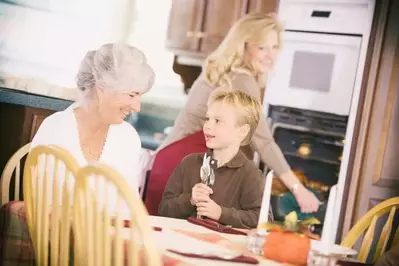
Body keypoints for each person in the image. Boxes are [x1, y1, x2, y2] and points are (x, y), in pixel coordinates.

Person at [155, 12, 320, 214]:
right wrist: (298, 189)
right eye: (262, 48)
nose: (271, 55)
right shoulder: (242, 80)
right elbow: (263, 141)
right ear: (244, 46)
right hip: (187, 171)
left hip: (172, 163)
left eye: (275, 47)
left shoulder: (225, 72)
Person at [31, 43, 155, 195]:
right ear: (102, 88)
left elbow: (128, 207)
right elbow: (41, 205)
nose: (137, 107)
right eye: (131, 95)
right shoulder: (55, 129)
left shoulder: (128, 137)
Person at [159, 88, 267, 229]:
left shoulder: (251, 175)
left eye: (217, 121)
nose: (208, 126)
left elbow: (261, 219)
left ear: (242, 131)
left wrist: (221, 213)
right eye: (207, 119)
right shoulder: (188, 164)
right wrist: (189, 199)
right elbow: (163, 210)